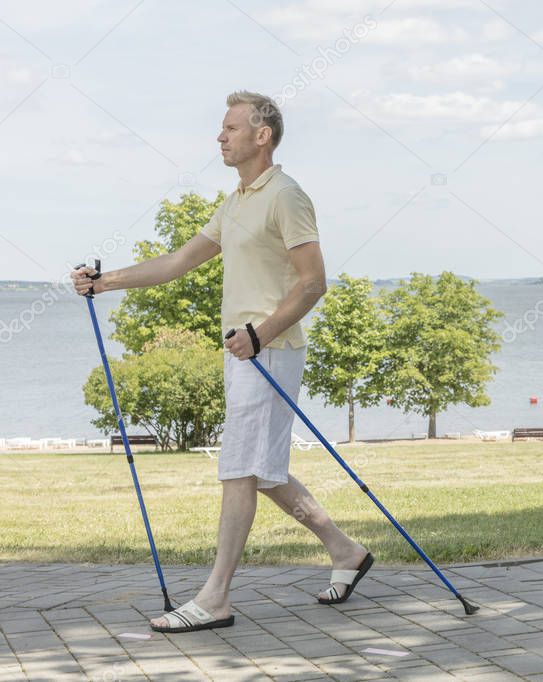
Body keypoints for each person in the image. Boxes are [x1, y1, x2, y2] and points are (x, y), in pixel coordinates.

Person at [72, 91, 373, 633]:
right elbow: (178, 263)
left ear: (262, 136)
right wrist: (105, 281)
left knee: (239, 468)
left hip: (270, 352)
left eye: (231, 127)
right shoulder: (236, 201)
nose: (220, 136)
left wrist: (260, 334)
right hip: (247, 353)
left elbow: (314, 283)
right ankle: (346, 551)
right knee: (263, 472)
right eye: (221, 128)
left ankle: (215, 599)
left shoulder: (286, 196)